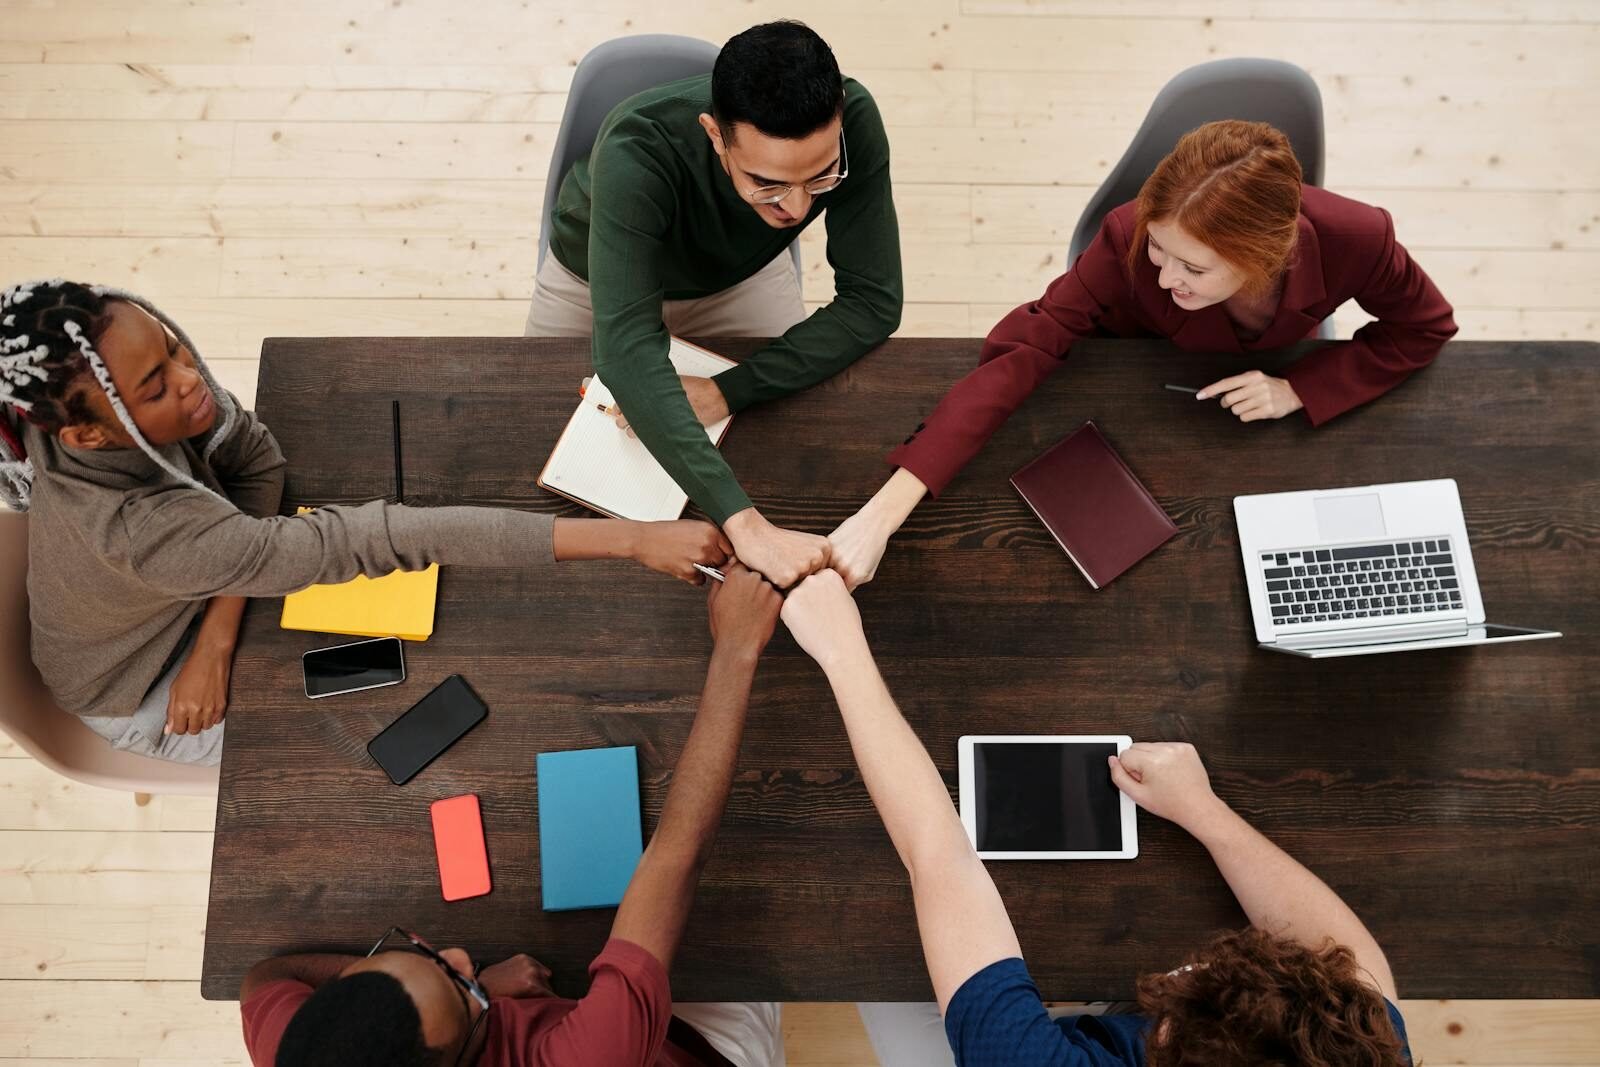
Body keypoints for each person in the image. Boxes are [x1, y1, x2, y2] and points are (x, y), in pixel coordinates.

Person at [0, 279, 732, 765]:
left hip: (186, 594)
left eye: (172, 344)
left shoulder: (127, 398)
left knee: (406, 661)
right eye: (155, 385)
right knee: (352, 741)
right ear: (87, 436)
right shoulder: (141, 530)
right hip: (139, 684)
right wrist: (632, 536)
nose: (191, 379)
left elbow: (257, 461)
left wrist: (222, 628)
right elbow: (385, 538)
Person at [780, 568, 1414, 1066]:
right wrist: (1203, 811)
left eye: (1195, 988)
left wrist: (840, 651)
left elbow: (936, 853)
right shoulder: (1353, 1044)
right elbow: (1353, 962)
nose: (1188, 966)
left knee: (884, 980)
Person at [827, 119, 1457, 590]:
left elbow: (1424, 327)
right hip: (1128, 371)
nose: (1164, 278)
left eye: (1194, 268)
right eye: (1160, 250)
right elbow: (1025, 350)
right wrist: (884, 514)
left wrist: (1301, 388)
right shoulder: (1127, 234)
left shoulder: (1360, 237)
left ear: (1267, 256)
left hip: (1243, 422)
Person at [237, 564, 787, 1066]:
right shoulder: (589, 1059)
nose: (457, 954)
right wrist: (737, 644)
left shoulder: (302, 1052)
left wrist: (477, 993)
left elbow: (264, 978)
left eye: (418, 956)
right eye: (456, 981)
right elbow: (676, 860)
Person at [527, 20, 903, 588]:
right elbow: (627, 351)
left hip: (738, 278)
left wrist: (730, 389)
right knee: (526, 425)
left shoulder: (856, 121)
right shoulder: (634, 146)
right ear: (714, 134)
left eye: (821, 178)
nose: (798, 210)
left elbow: (874, 301)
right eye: (768, 184)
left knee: (792, 435)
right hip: (596, 274)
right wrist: (745, 525)